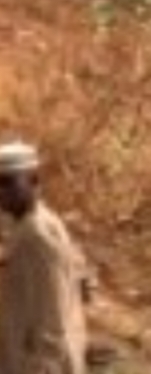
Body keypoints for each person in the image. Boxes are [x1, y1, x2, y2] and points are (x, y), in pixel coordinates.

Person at [0, 141, 91, 374]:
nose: (3, 192)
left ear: (34, 181)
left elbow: (52, 315)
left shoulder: (36, 235)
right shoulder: (34, 225)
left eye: (9, 183)